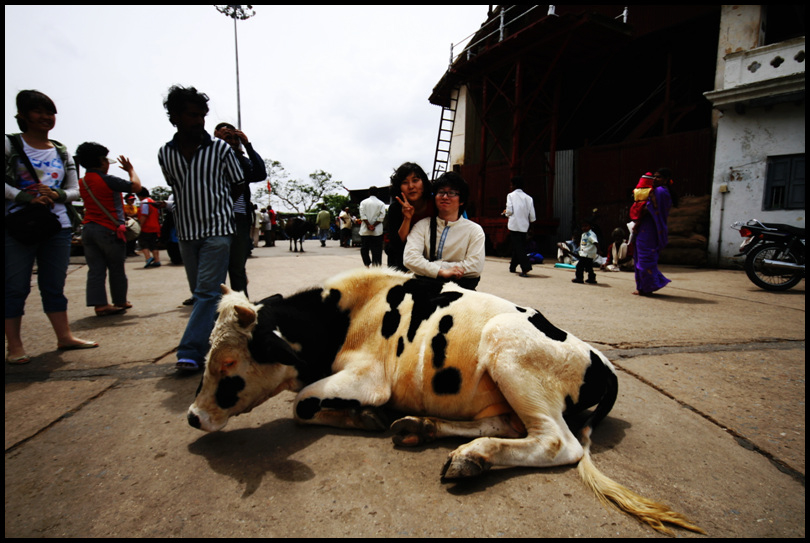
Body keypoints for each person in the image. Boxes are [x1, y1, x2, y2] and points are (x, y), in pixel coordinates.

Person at [5, 90, 97, 364]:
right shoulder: (10, 145)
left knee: (54, 285)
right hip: (19, 225)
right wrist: (23, 196)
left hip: (57, 225)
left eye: (50, 112)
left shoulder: (61, 150)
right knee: (15, 287)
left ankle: (64, 336)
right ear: (22, 115)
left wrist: (57, 195)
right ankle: (15, 347)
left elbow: (74, 190)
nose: (45, 117)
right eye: (38, 111)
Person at [158, 85, 244, 371]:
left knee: (206, 293)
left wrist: (218, 209)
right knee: (203, 294)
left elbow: (237, 183)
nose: (198, 121)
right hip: (186, 232)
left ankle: (189, 352)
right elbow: (176, 188)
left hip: (218, 230)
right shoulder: (165, 154)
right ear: (174, 117)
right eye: (192, 115)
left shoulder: (220, 149)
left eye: (201, 116)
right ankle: (223, 339)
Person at [76, 142, 142, 316]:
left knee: (95, 269)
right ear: (101, 161)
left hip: (88, 228)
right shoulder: (107, 180)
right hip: (108, 229)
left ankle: (100, 304)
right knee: (116, 267)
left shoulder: (82, 181)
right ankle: (120, 300)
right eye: (105, 159)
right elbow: (135, 186)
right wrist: (130, 170)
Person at [404, 171, 485, 290]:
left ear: (461, 200)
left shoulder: (474, 230)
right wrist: (441, 271)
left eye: (452, 193)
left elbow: (475, 267)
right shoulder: (422, 226)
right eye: (441, 192)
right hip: (426, 289)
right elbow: (410, 259)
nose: (445, 197)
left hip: (461, 290)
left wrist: (433, 267)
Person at [213, 122, 267, 297]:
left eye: (233, 136)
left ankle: (240, 301)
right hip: (215, 218)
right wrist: (220, 144)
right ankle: (210, 301)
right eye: (225, 135)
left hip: (239, 219)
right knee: (214, 266)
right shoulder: (210, 156)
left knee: (237, 267)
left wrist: (247, 145)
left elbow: (260, 173)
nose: (231, 139)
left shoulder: (242, 161)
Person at [633, 167, 676, 296]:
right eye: (654, 176)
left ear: (666, 179)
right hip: (645, 226)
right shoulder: (655, 191)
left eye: (659, 177)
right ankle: (642, 286)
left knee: (646, 258)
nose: (655, 179)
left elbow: (650, 208)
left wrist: (639, 209)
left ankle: (648, 287)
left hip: (652, 227)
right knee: (639, 256)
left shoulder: (661, 192)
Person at [386, 162, 434, 271]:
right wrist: (407, 219)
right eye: (405, 182)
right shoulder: (395, 209)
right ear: (399, 188)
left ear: (424, 183)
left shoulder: (435, 205)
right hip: (403, 260)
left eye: (415, 180)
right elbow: (397, 245)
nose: (411, 186)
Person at [503, 176, 536, 277]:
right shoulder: (529, 198)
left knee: (519, 247)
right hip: (524, 226)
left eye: (512, 184)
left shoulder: (510, 196)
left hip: (514, 225)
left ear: (514, 185)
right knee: (518, 246)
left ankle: (525, 267)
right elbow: (532, 216)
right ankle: (512, 267)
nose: (511, 186)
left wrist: (505, 213)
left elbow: (509, 211)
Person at [358, 186, 386, 266]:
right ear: (377, 193)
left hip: (365, 231)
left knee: (364, 249)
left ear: (369, 193)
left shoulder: (363, 202)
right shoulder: (381, 203)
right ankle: (376, 267)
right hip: (377, 231)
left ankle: (367, 264)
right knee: (377, 250)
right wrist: (373, 225)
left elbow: (362, 215)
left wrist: (368, 225)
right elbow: (382, 216)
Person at [136, 188, 162, 268]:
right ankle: (157, 260)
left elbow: (144, 215)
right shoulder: (154, 202)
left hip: (146, 227)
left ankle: (148, 258)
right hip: (155, 226)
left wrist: (139, 226)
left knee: (143, 242)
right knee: (153, 244)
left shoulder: (144, 203)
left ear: (139, 195)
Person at [572, 219, 598, 284]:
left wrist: (599, 250)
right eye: (583, 226)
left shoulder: (590, 234)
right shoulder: (584, 234)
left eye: (586, 226)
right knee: (589, 267)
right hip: (585, 253)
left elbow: (595, 242)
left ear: (590, 226)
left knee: (579, 266)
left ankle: (579, 278)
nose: (584, 228)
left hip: (587, 254)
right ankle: (592, 279)